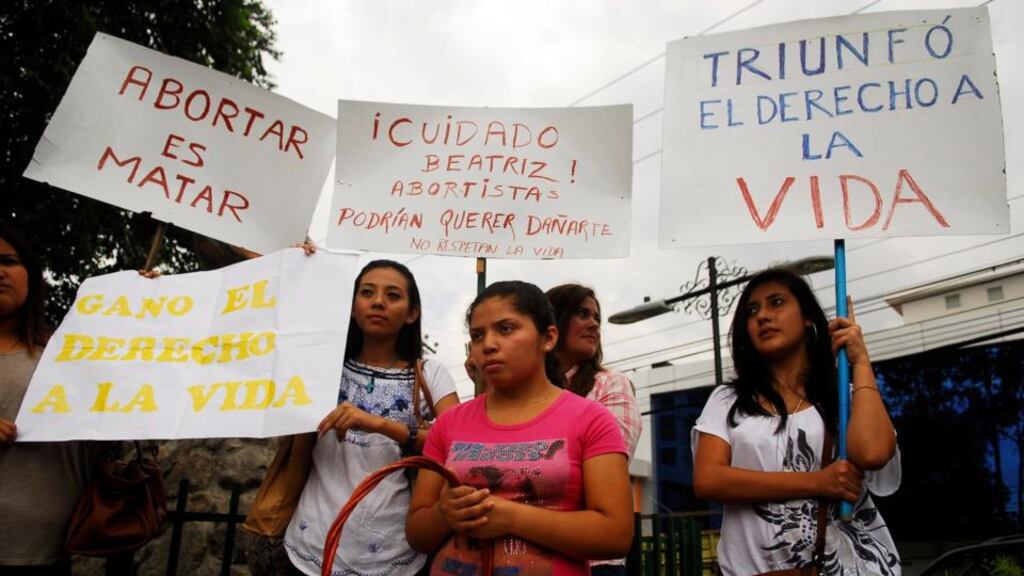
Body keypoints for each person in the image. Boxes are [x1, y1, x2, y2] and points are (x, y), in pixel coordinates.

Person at [406, 280, 634, 575]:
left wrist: (512, 517)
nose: (487, 345)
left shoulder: (592, 419)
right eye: (477, 335)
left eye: (506, 329)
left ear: (548, 338)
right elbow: (417, 534)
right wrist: (443, 514)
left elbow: (614, 535)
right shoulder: (449, 423)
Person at [692, 268, 901, 575]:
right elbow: (709, 479)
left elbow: (873, 453)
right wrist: (817, 482)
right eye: (752, 310)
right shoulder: (727, 400)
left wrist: (860, 362)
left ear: (807, 319)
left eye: (776, 302)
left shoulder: (843, 397)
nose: (763, 316)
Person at [283, 258, 460, 576]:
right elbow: (299, 458)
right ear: (351, 306)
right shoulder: (322, 367)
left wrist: (380, 424)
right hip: (309, 547)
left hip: (393, 551)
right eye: (367, 293)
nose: (378, 302)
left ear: (411, 313)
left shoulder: (430, 374)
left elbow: (459, 444)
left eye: (393, 295)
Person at [0, 222, 92, 574]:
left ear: (30, 274)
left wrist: (143, 299)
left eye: (7, 260)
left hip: (47, 551)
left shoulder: (65, 357)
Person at [545, 283, 641, 576]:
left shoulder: (611, 384)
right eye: (582, 314)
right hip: (526, 556)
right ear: (552, 325)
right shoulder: (516, 390)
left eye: (596, 317)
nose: (594, 324)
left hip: (592, 561)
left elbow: (604, 468)